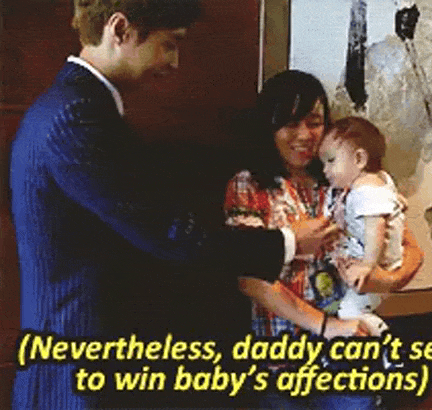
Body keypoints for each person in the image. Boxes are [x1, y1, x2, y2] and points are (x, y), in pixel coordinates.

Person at [9, 2, 338, 408]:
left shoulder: (76, 108)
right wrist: (288, 242)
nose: (174, 62)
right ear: (120, 30)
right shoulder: (76, 116)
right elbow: (172, 235)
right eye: (169, 44)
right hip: (75, 366)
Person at [226, 71, 423, 409]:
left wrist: (387, 279)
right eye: (290, 123)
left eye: (314, 122)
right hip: (283, 358)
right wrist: (327, 326)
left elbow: (411, 248)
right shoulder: (249, 185)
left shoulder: (346, 179)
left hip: (347, 356)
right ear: (269, 126)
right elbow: (251, 280)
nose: (305, 135)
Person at [319, 117, 405, 334]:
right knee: (348, 306)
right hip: (381, 267)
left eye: (331, 161)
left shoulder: (364, 191)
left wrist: (368, 265)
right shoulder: (380, 181)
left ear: (359, 159)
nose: (325, 170)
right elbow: (396, 203)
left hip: (378, 269)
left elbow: (375, 229)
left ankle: (382, 336)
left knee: (349, 311)